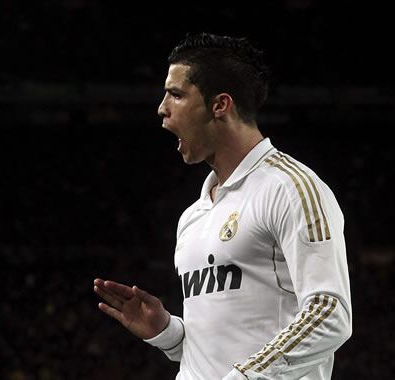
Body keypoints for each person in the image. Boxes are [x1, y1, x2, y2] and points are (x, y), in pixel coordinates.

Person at [93, 33, 352, 379]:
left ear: (220, 105)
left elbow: (330, 313)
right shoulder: (192, 217)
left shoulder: (290, 188)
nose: (162, 108)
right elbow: (219, 347)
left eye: (176, 94)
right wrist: (166, 333)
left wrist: (245, 377)